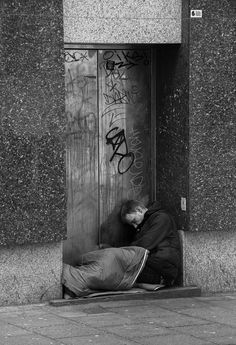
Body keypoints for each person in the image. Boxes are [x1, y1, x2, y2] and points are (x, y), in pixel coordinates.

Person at [120, 199, 181, 286]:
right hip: (153, 264)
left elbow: (146, 244)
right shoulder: (143, 224)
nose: (134, 226)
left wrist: (123, 252)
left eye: (134, 221)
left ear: (139, 210)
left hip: (162, 269)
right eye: (131, 224)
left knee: (119, 272)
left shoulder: (162, 218)